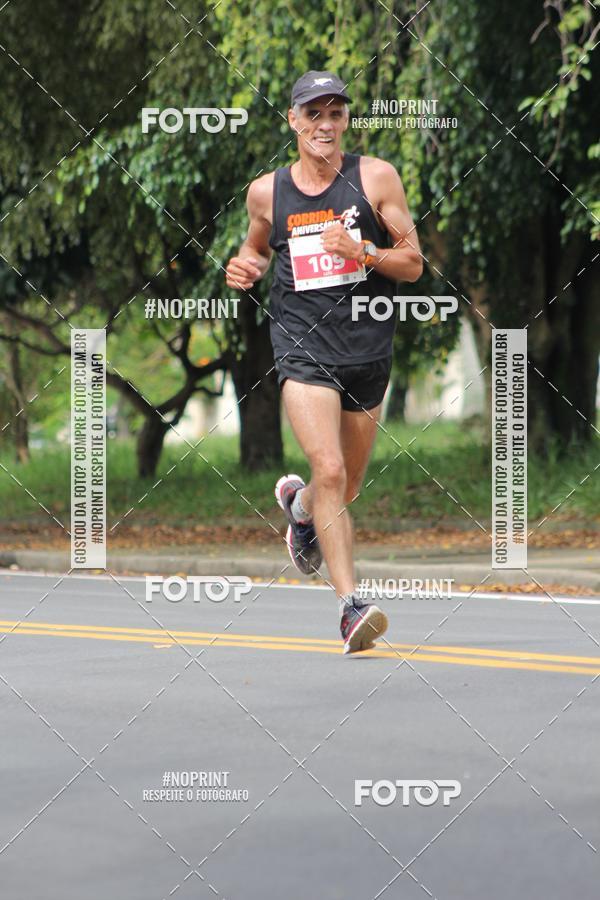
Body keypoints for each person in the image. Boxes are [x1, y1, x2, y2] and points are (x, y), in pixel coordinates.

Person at [226, 71, 423, 653]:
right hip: (301, 347)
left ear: (345, 121)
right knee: (331, 469)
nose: (325, 124)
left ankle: (301, 507)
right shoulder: (268, 192)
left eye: (335, 113)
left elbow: (412, 263)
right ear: (293, 120)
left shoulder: (376, 177)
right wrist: (244, 266)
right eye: (313, 114)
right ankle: (350, 608)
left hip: (366, 349)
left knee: (347, 484)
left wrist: (360, 250)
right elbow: (255, 244)